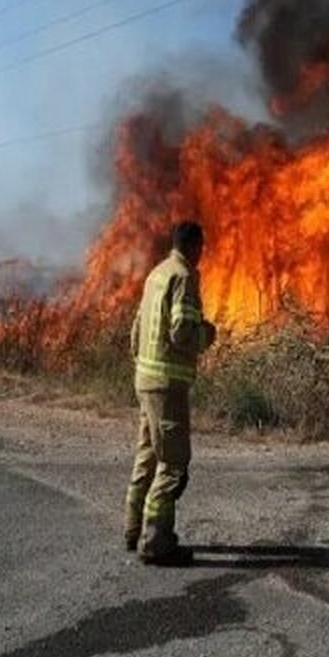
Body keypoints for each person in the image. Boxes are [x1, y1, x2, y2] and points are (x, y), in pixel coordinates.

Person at [123, 221, 216, 566]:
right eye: (202, 247)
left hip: (145, 379)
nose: (202, 253)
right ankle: (157, 540)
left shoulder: (156, 274)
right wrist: (207, 335)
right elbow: (181, 331)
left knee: (147, 455)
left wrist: (142, 366)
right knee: (174, 463)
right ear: (194, 245)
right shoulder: (185, 277)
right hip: (167, 385)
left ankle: (133, 529)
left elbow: (135, 330)